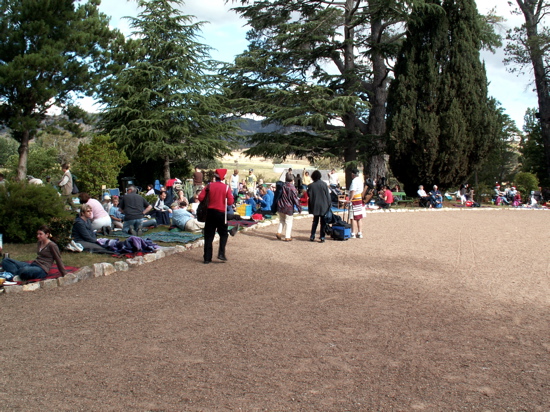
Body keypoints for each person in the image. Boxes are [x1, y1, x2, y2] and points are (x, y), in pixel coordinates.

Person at [1, 225, 67, 281]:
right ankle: (17, 275)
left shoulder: (52, 245)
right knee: (5, 261)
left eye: (40, 234)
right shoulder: (39, 242)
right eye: (37, 234)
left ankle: (15, 274)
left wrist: (64, 273)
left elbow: (58, 259)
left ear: (47, 235)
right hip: (33, 265)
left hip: (42, 269)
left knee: (25, 270)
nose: (38, 236)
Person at [198, 169, 234, 264]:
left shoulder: (209, 186)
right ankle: (221, 253)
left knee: (209, 235)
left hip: (210, 212)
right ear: (223, 177)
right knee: (223, 234)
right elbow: (230, 201)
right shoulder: (226, 187)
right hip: (221, 213)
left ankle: (207, 257)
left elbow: (200, 197)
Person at [307, 170, 331, 242]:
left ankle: (312, 235)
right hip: (324, 205)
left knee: (315, 221)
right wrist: (329, 205)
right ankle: (322, 236)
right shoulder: (324, 184)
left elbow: (309, 195)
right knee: (323, 222)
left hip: (315, 205)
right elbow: (328, 196)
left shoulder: (311, 186)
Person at [275, 175, 302, 241]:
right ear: (292, 180)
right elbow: (295, 199)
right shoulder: (292, 188)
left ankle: (279, 232)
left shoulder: (282, 186)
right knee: (288, 222)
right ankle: (287, 236)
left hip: (280, 205)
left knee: (282, 220)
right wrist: (299, 208)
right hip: (288, 207)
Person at [348, 169, 364, 238]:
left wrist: (350, 199)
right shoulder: (360, 180)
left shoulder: (354, 181)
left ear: (353, 174)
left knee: (353, 217)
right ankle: (360, 232)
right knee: (359, 217)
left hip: (354, 200)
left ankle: (353, 233)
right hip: (359, 199)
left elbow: (353, 191)